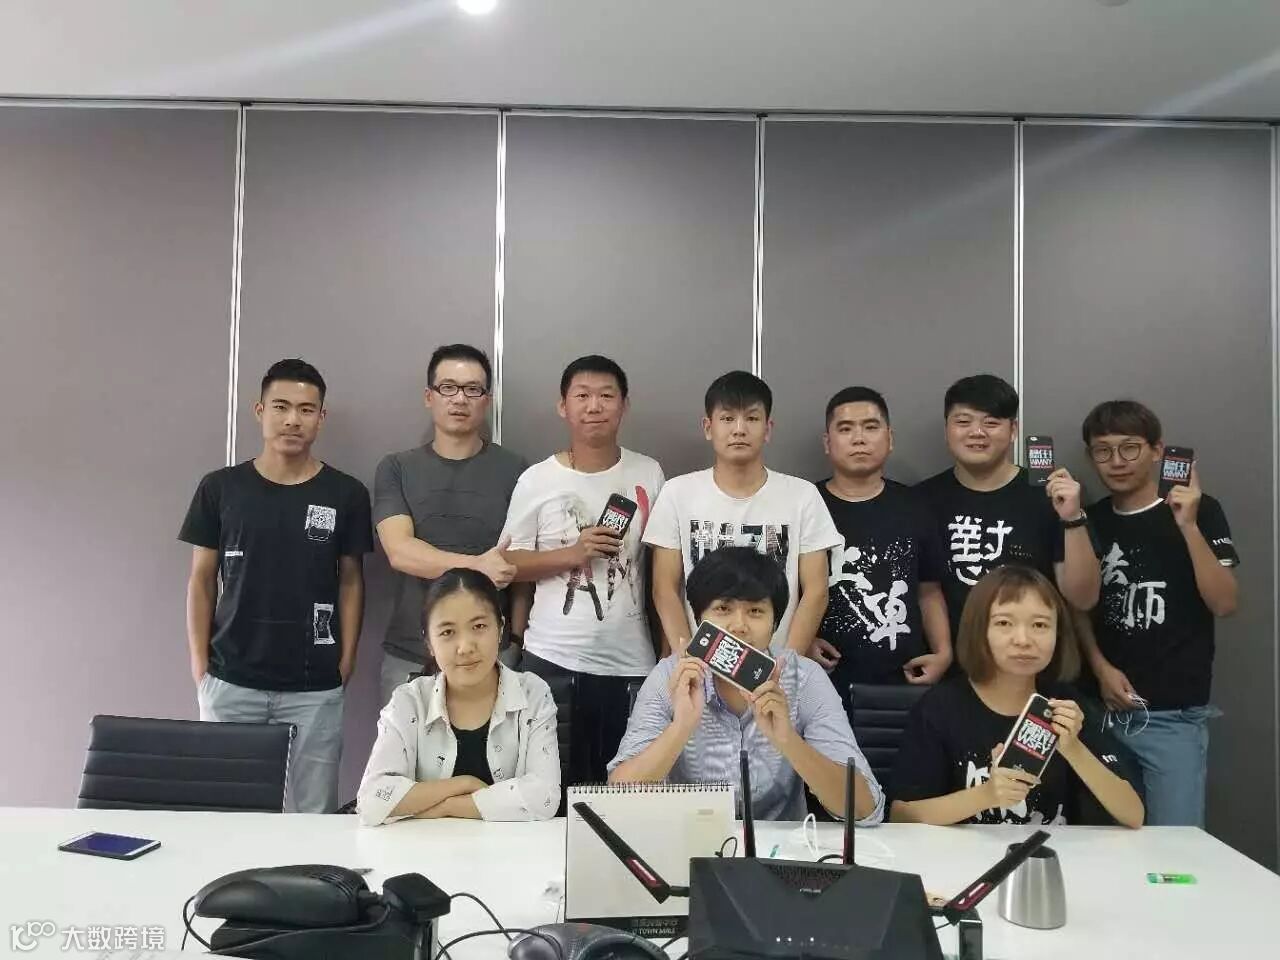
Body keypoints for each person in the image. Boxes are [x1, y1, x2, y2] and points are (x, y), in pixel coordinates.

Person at [181, 359, 373, 814]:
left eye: (306, 410)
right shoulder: (220, 488)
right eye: (281, 407)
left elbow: (351, 580)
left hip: (314, 687)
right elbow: (202, 579)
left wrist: (345, 660)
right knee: (226, 815)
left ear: (321, 417)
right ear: (259, 410)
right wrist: (200, 664)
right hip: (231, 679)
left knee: (314, 815)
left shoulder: (345, 493)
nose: (292, 420)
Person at [609, 547, 884, 822]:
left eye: (755, 611)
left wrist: (787, 739)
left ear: (775, 623)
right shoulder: (671, 675)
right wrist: (680, 727)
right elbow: (617, 798)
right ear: (699, 619)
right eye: (723, 609)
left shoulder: (804, 678)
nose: (738, 626)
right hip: (691, 838)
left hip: (779, 844)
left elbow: (866, 809)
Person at [501, 355, 665, 783]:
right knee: (549, 790)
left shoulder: (649, 473)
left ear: (624, 405)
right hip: (552, 657)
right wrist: (572, 554)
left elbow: (664, 570)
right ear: (563, 406)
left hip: (631, 661)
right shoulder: (537, 479)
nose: (595, 406)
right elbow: (508, 564)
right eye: (583, 395)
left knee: (626, 794)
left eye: (607, 395)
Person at [1080, 400, 1238, 827]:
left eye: (1130, 447)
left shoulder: (1202, 511)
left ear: (1156, 450)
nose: (1117, 461)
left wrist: (1188, 526)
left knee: (1175, 847)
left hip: (1172, 716)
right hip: (1098, 714)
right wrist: (1099, 667)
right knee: (1103, 846)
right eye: (1103, 451)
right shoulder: (1090, 519)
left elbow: (1225, 603)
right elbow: (1077, 608)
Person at [890, 565, 1143, 828]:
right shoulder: (940, 708)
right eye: (1004, 623)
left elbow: (1134, 815)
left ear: (1058, 634)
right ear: (979, 630)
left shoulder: (1068, 707)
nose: (1023, 640)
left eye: (1039, 625)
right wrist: (985, 795)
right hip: (965, 852)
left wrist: (1074, 748)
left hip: (1051, 851)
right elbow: (901, 815)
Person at [646, 371, 843, 660]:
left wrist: (786, 663)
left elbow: (816, 591)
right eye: (727, 418)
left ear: (768, 429)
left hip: (776, 664)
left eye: (751, 418)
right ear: (708, 427)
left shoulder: (802, 496)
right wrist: (687, 657)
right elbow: (664, 588)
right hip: (699, 665)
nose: (739, 429)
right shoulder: (677, 493)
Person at [373, 344, 529, 704]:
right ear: (429, 397)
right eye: (448, 387)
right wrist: (477, 566)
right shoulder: (396, 468)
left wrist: (516, 640)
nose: (460, 399)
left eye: (472, 389)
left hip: (492, 654)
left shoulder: (516, 470)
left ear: (486, 400)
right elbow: (401, 551)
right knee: (403, 744)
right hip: (410, 655)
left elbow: (521, 565)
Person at [356, 568, 560, 825]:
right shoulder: (409, 701)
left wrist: (447, 807)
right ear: (429, 644)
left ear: (500, 628)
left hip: (508, 848)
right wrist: (463, 784)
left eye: (479, 626)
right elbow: (372, 800)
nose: (465, 647)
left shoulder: (533, 694)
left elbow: (544, 797)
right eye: (447, 632)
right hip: (425, 847)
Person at [915, 374, 1099, 639]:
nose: (977, 432)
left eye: (991, 423)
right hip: (950, 660)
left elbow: (1084, 599)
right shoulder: (921, 500)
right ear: (947, 430)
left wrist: (1072, 518)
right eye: (963, 422)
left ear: (1013, 430)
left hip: (1028, 655)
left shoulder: (1049, 496)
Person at [815, 387, 952, 692]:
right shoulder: (806, 504)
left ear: (890, 438)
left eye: (871, 427)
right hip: (822, 680)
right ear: (827, 442)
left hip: (903, 679)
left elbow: (929, 590)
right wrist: (802, 642)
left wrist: (943, 653)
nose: (859, 438)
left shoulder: (917, 505)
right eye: (845, 429)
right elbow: (788, 591)